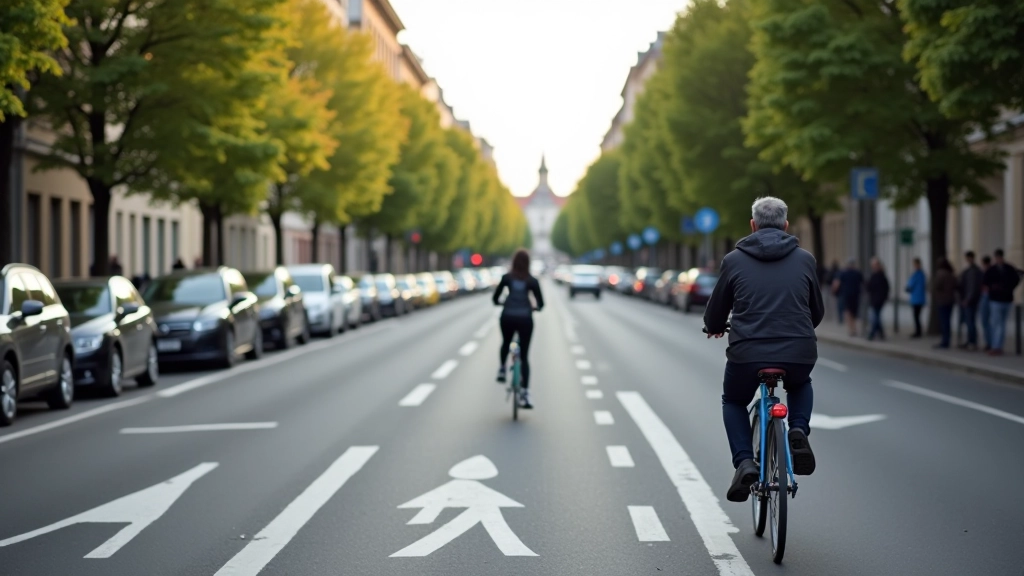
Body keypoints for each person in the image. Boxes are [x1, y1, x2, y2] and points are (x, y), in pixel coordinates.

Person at [704, 196, 822, 503]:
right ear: (786, 225)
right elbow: (817, 312)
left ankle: (745, 462)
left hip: (747, 352)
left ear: (753, 225)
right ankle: (797, 429)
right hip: (798, 350)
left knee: (733, 400)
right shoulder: (805, 259)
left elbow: (716, 312)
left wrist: (716, 326)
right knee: (800, 382)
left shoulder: (733, 260)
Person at [492, 249, 544, 409]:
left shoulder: (506, 278)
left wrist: (502, 303)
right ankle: (526, 394)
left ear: (513, 262)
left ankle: (502, 368)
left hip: (507, 316)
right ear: (529, 263)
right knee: (525, 356)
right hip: (525, 319)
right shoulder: (532, 281)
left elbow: (495, 298)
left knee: (506, 342)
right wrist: (534, 308)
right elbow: (541, 303)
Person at [982, 248, 1020, 356]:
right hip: (997, 299)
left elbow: (1016, 279)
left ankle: (997, 346)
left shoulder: (1007, 269)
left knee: (999, 324)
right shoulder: (995, 270)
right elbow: (986, 282)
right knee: (998, 324)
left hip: (1003, 299)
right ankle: (997, 345)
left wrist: (1007, 288)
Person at [958, 251, 983, 350]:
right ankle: (971, 341)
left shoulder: (972, 271)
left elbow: (971, 287)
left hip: (970, 301)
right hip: (972, 299)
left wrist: (967, 299)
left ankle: (972, 342)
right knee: (970, 322)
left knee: (970, 322)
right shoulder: (973, 270)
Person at [833, 259, 863, 337]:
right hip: (856, 295)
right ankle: (854, 328)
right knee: (854, 312)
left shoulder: (843, 273)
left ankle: (850, 329)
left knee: (847, 312)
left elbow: (837, 284)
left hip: (846, 295)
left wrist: (834, 292)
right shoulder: (858, 273)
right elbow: (862, 283)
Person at [932, 257, 957, 349]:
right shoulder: (951, 274)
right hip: (950, 300)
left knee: (944, 321)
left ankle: (945, 341)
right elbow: (956, 285)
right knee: (947, 321)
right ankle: (947, 339)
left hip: (942, 300)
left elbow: (936, 286)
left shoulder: (940, 274)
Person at [866, 257, 890, 341]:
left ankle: (872, 334)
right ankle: (881, 333)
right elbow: (869, 287)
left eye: (874, 264)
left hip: (878, 300)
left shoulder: (881, 275)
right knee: (877, 317)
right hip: (874, 299)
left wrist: (884, 297)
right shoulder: (874, 275)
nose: (873, 266)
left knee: (875, 317)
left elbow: (885, 288)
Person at [906, 258, 927, 338]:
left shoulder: (917, 274)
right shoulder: (921, 274)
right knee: (917, 316)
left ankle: (918, 332)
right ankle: (918, 331)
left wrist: (908, 288)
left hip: (917, 299)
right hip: (918, 298)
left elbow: (910, 285)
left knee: (916, 316)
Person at [980, 255, 993, 350]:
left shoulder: (989, 272)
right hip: (990, 298)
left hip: (987, 297)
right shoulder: (992, 271)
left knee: (986, 321)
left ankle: (989, 342)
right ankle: (990, 342)